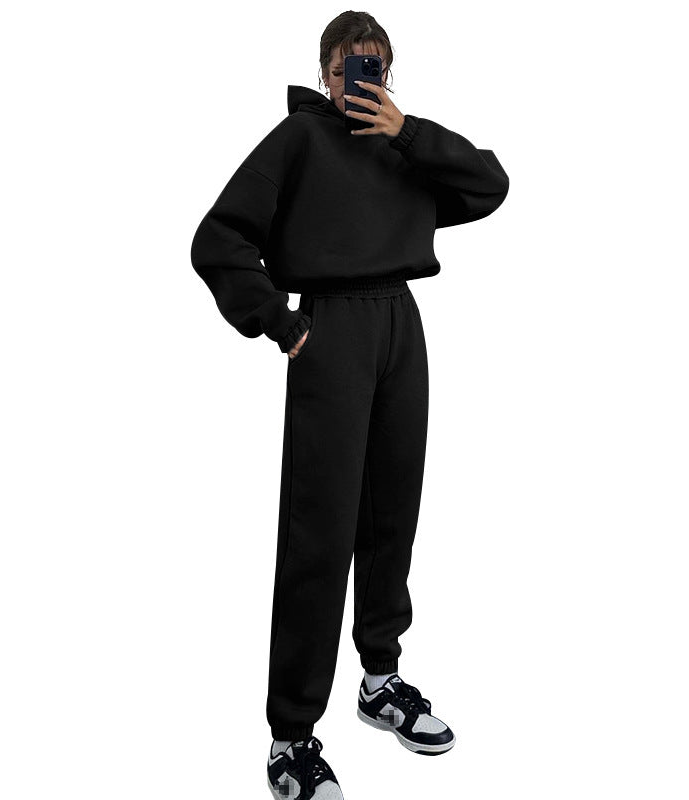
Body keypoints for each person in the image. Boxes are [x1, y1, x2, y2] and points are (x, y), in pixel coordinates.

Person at [190, 11, 509, 800]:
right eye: (344, 67)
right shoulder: (298, 140)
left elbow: (489, 184)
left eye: (373, 67)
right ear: (324, 71)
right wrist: (280, 322)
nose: (356, 81)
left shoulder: (403, 144)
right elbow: (218, 238)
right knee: (321, 529)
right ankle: (291, 737)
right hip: (329, 329)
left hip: (402, 324)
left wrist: (407, 132)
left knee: (392, 512)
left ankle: (380, 680)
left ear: (388, 75)